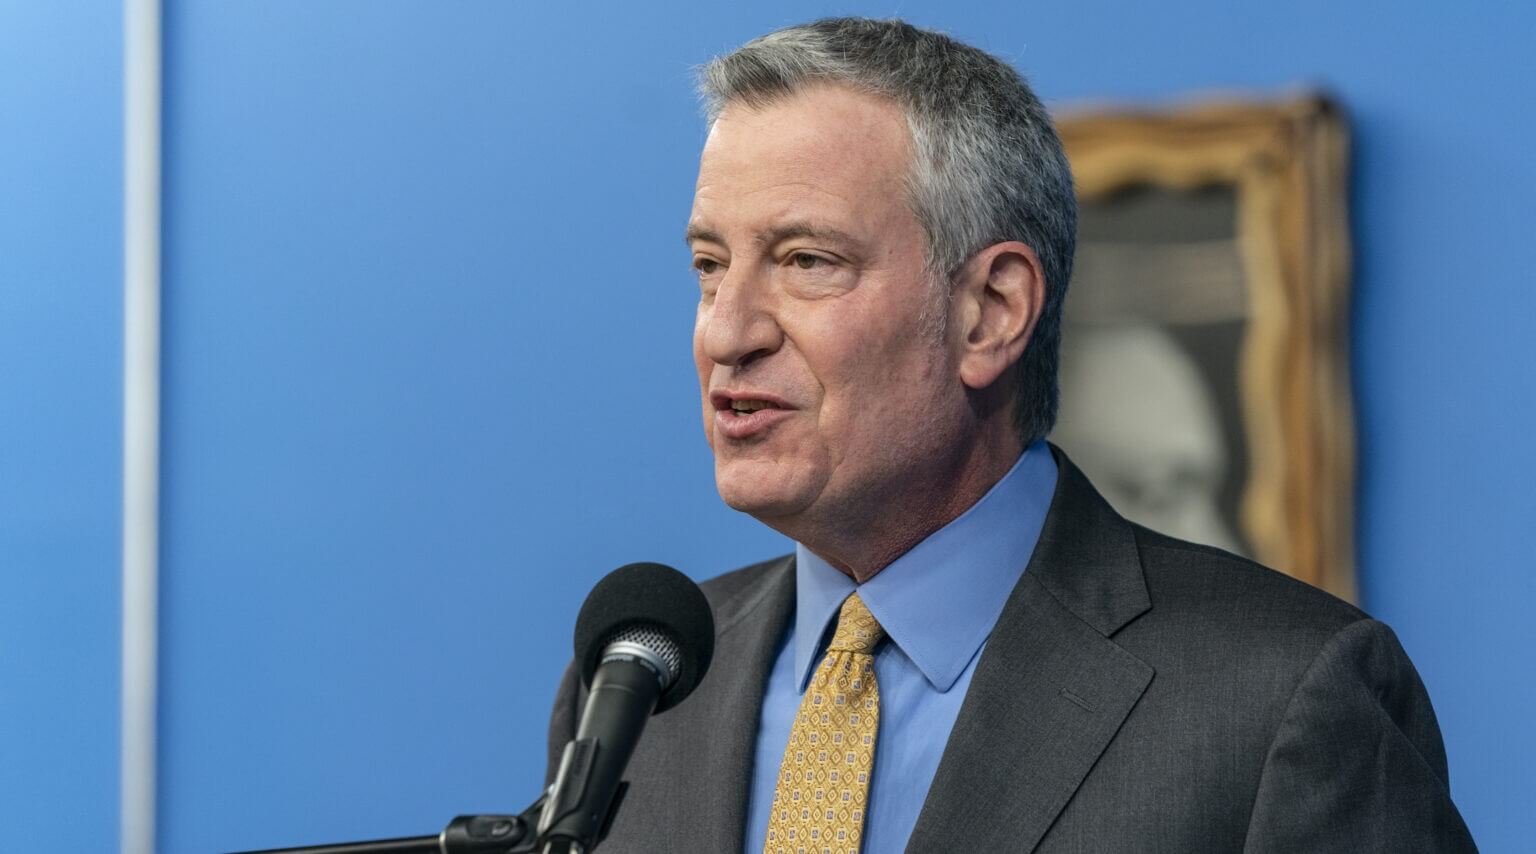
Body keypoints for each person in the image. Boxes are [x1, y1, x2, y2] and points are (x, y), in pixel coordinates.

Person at [547, 17, 1474, 853]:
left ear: (991, 311)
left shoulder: (1283, 703)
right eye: (711, 267)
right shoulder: (639, 684)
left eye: (806, 262)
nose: (726, 331)